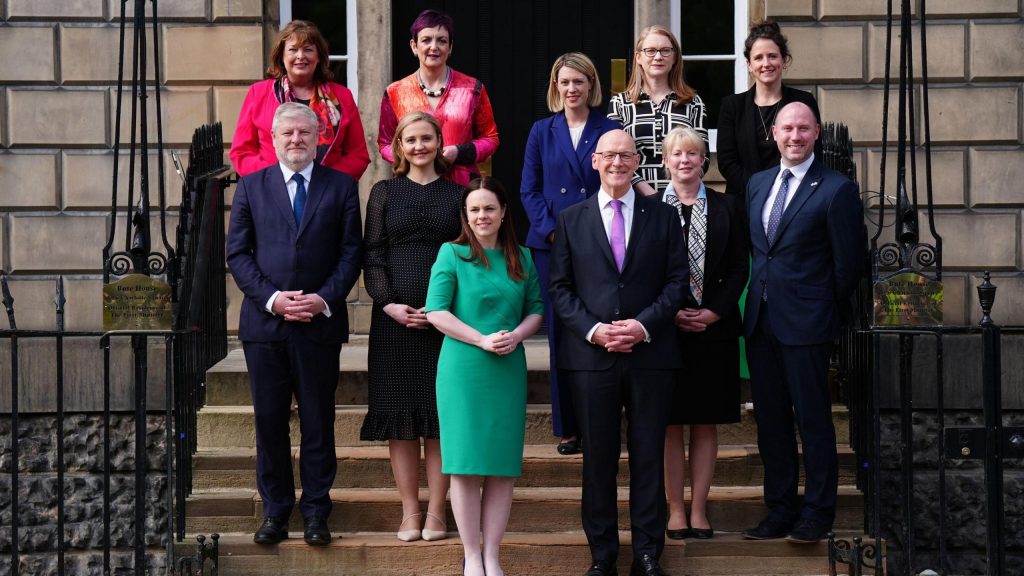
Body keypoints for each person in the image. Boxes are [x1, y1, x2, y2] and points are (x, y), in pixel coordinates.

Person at [549, 130, 688, 576]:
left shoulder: (665, 217)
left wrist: (642, 325)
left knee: (649, 456)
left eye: (626, 156)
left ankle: (648, 553)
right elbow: (560, 289)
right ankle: (603, 555)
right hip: (592, 358)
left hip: (650, 355)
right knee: (599, 461)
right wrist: (595, 330)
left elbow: (677, 284)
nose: (616, 163)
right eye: (608, 155)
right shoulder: (570, 219)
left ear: (638, 161)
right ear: (595, 161)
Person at [226, 102, 363, 546]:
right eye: (287, 134)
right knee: (269, 422)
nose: (296, 140)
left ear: (318, 136)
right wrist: (273, 299)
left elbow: (350, 254)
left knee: (318, 421)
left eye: (304, 132)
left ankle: (317, 512)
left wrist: (322, 298)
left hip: (319, 325)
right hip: (265, 327)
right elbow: (238, 255)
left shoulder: (341, 187)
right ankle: (276, 512)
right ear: (273, 138)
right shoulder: (250, 187)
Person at [741, 102, 865, 544]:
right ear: (774, 133)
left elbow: (848, 265)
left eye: (803, 129)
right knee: (771, 424)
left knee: (813, 422)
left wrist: (817, 309)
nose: (794, 136)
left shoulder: (836, 189)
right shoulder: (757, 184)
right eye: (787, 128)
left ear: (816, 134)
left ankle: (817, 514)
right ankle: (779, 510)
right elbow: (759, 253)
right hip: (760, 321)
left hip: (807, 324)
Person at [425, 177, 544, 576]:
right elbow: (436, 312)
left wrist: (516, 335)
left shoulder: (522, 257)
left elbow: (537, 310)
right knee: (465, 464)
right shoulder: (452, 254)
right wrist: (481, 339)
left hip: (507, 368)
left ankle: (493, 554)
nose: (482, 216)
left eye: (489, 208)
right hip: (463, 368)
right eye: (474, 210)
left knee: (501, 466)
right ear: (465, 215)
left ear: (504, 211)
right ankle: (471, 556)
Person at [360, 112, 463, 543]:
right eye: (410, 139)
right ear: (398, 147)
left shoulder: (459, 194)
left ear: (439, 143)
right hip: (394, 323)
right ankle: (410, 512)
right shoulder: (383, 193)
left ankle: (438, 512)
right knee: (401, 419)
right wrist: (389, 304)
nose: (419, 146)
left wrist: (442, 309)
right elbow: (373, 253)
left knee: (440, 418)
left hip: (446, 319)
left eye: (427, 138)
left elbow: (468, 254)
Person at [520, 52, 621, 456]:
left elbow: (615, 183)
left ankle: (603, 420)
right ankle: (568, 426)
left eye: (579, 81)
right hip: (551, 245)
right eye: (565, 82)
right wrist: (552, 232)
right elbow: (529, 188)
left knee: (600, 325)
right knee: (562, 334)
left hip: (598, 240)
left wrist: (587, 234)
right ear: (555, 86)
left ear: (591, 85)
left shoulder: (609, 128)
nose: (572, 89)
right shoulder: (541, 131)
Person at [657, 127, 749, 542]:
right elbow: (642, 270)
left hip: (715, 329)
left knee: (706, 422)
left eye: (692, 154)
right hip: (664, 331)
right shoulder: (649, 208)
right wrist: (670, 312)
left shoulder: (729, 206)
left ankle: (699, 509)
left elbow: (739, 267)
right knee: (670, 423)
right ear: (665, 161)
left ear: (704, 160)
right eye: (676, 154)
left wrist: (714, 312)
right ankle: (675, 509)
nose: (684, 161)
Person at [230, 20, 369, 180]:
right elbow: (241, 152)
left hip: (327, 194)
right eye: (293, 50)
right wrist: (272, 180)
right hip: (271, 191)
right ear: (281, 56)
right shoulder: (259, 93)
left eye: (308, 49)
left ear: (319, 57)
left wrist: (329, 182)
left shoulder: (342, 96)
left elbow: (358, 155)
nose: (300, 56)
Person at [378, 9, 499, 186]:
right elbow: (385, 143)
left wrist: (459, 152)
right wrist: (412, 156)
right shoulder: (395, 92)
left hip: (462, 187)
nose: (433, 47)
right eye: (426, 40)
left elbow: (491, 138)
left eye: (441, 41)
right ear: (414, 46)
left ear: (450, 47)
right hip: (413, 185)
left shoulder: (472, 88)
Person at [716, 20, 821, 198]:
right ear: (749, 65)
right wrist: (761, 188)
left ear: (784, 60)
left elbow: (814, 152)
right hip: (745, 202)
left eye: (772, 56)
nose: (766, 63)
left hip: (795, 199)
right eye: (758, 58)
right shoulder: (732, 106)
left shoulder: (804, 101)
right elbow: (727, 163)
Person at [608, 25, 707, 197]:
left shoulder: (693, 103)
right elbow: (614, 158)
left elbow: (703, 158)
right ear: (638, 57)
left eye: (665, 50)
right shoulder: (620, 103)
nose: (658, 57)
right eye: (651, 51)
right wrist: (649, 193)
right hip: (635, 198)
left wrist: (673, 194)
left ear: (675, 57)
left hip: (683, 197)